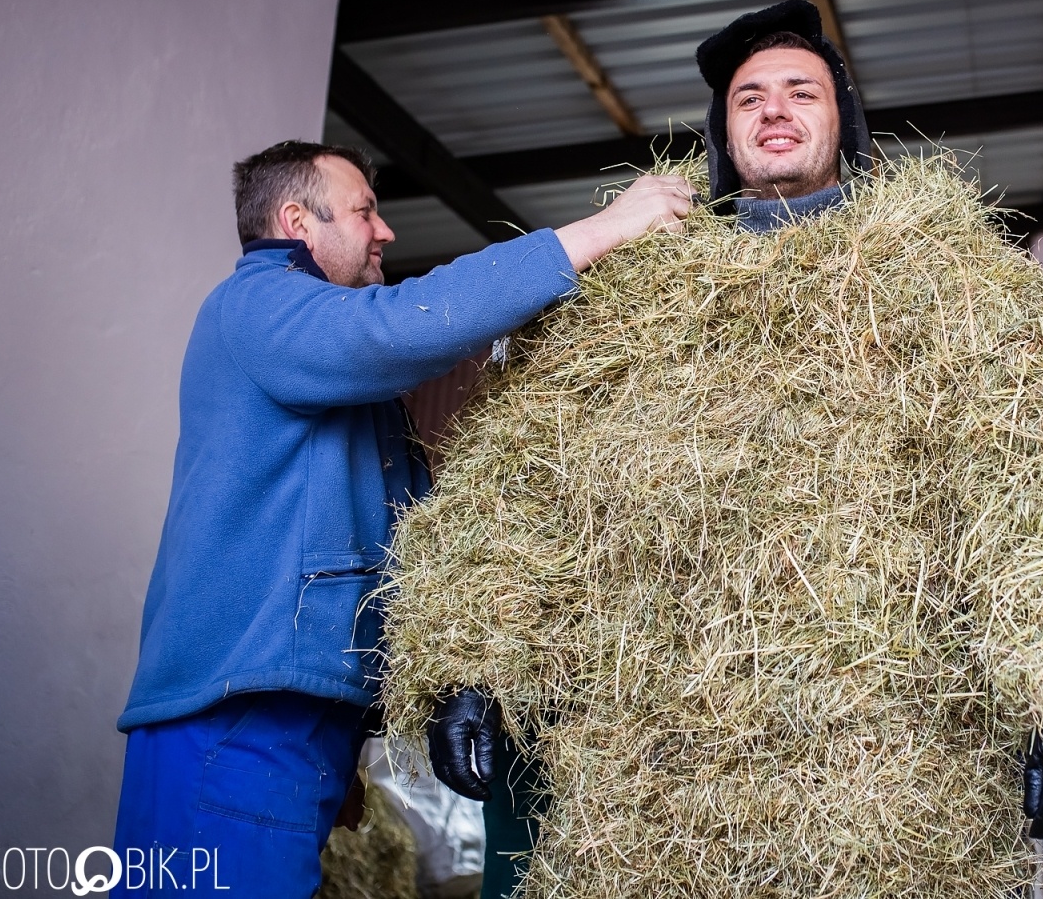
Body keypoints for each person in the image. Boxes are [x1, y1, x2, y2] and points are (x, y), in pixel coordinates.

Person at [425, 1, 1043, 885]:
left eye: (802, 91)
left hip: (883, 775)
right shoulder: (628, 298)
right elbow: (523, 486)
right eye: (749, 98)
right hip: (650, 778)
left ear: (846, 125)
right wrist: (471, 658)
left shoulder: (951, 284)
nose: (774, 109)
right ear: (723, 136)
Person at [112, 140, 691, 897]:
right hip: (236, 722)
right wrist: (599, 233)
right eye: (365, 211)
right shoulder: (257, 302)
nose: (385, 231)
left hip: (291, 725)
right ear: (296, 221)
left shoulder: (333, 376)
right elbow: (397, 328)